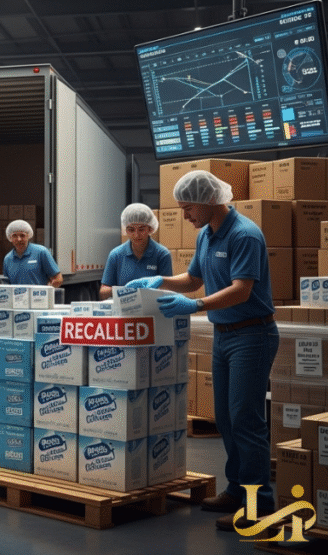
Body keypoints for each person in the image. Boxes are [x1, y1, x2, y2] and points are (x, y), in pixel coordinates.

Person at [126, 170, 278, 533]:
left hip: (251, 335)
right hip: (224, 335)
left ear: (209, 200)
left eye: (188, 207)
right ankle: (236, 489)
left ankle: (260, 505)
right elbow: (193, 279)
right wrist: (159, 281)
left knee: (246, 419)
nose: (185, 216)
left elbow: (242, 289)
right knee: (224, 417)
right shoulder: (207, 235)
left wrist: (195, 308)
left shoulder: (244, 234)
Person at [98, 203, 172, 300]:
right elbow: (103, 293)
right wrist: (126, 290)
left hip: (152, 310)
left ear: (150, 229)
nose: (136, 235)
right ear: (125, 230)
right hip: (124, 310)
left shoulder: (162, 254)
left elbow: (168, 291)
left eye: (141, 229)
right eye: (131, 230)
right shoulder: (116, 255)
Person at [2, 219, 63, 287]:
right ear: (10, 238)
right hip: (16, 297)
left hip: (39, 297)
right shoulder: (8, 259)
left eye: (22, 235)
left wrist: (46, 292)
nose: (19, 239)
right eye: (15, 236)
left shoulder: (41, 252)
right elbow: (6, 284)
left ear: (28, 236)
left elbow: (58, 279)